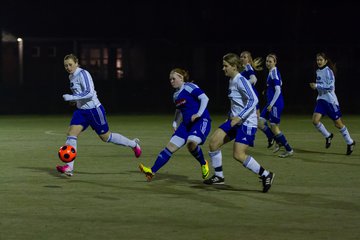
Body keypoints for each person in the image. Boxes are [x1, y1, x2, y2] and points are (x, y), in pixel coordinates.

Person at [56, 53, 142, 176]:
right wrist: (74, 101)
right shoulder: (71, 76)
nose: (68, 67)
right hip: (81, 112)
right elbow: (80, 94)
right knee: (71, 134)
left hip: (94, 110)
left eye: (70, 64)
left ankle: (133, 144)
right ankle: (69, 168)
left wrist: (72, 97)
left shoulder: (83, 74)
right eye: (65, 66)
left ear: (76, 63)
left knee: (106, 137)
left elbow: (89, 93)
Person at [203, 53, 274, 193]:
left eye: (225, 66)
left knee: (238, 155)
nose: (223, 68)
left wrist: (239, 117)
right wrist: (231, 116)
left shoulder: (240, 80)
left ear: (234, 67)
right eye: (223, 65)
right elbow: (237, 102)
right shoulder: (232, 79)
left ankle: (266, 175)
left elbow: (254, 100)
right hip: (235, 120)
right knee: (213, 143)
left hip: (247, 123)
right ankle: (219, 176)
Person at [139, 68, 211, 181]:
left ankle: (203, 163)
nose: (171, 81)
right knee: (169, 147)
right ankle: (151, 171)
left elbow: (205, 98)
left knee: (191, 143)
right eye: (170, 79)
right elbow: (179, 110)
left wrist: (198, 114)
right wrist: (175, 122)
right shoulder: (175, 95)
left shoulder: (189, 86)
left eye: (174, 78)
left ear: (181, 78)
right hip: (186, 124)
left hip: (201, 121)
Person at [309, 52, 355, 155]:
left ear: (325, 61)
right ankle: (328, 136)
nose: (319, 62)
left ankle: (350, 142)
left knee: (338, 124)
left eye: (321, 60)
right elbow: (321, 86)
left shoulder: (328, 71)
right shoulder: (317, 71)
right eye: (317, 60)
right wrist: (316, 87)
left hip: (330, 101)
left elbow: (330, 87)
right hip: (321, 100)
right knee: (315, 120)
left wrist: (316, 86)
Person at [258, 53, 294, 158]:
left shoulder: (274, 73)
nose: (268, 63)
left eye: (270, 61)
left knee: (274, 128)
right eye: (267, 61)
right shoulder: (272, 72)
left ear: (275, 62)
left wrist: (271, 104)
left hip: (275, 104)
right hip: (271, 103)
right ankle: (276, 140)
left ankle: (289, 149)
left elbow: (278, 90)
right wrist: (267, 91)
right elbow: (274, 88)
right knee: (259, 122)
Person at [239, 51, 275, 148]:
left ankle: (270, 136)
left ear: (249, 59)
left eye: (245, 57)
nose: (242, 58)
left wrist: (242, 85)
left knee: (254, 121)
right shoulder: (244, 68)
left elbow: (254, 80)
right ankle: (254, 140)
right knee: (250, 120)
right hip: (246, 98)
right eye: (241, 56)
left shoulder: (248, 67)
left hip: (252, 98)